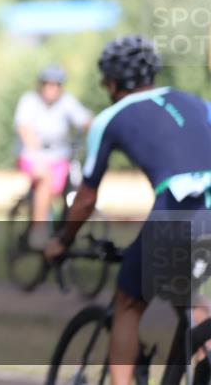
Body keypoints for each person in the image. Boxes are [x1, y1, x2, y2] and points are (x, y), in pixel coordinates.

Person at [44, 35, 211, 385]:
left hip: (183, 206)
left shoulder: (111, 117)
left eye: (105, 79)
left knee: (128, 303)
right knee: (191, 301)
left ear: (113, 81)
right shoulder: (195, 102)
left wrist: (61, 240)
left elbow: (86, 198)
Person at [13, 64, 92, 248]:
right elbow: (23, 127)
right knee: (45, 179)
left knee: (78, 184)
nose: (51, 89)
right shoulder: (29, 101)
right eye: (47, 84)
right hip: (33, 156)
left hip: (60, 157)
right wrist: (33, 144)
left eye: (55, 85)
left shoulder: (67, 102)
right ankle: (38, 230)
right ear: (41, 85)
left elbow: (84, 119)